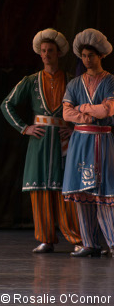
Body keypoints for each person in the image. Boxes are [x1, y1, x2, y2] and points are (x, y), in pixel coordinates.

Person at [0, 28, 82, 253]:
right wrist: (24, 128)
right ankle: (45, 238)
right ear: (40, 54)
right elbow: (7, 104)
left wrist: (75, 129)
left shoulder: (73, 81)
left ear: (58, 53)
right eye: (43, 51)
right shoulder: (31, 81)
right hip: (41, 140)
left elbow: (86, 109)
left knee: (66, 190)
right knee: (41, 190)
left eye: (51, 51)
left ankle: (76, 240)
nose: (46, 54)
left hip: (64, 142)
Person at [62, 28, 114, 258]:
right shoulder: (74, 84)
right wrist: (88, 113)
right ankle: (89, 243)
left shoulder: (110, 81)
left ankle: (112, 243)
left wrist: (82, 108)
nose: (86, 60)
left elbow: (108, 109)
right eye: (83, 56)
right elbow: (66, 113)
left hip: (102, 140)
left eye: (90, 55)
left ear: (100, 56)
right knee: (81, 193)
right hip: (80, 141)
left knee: (104, 193)